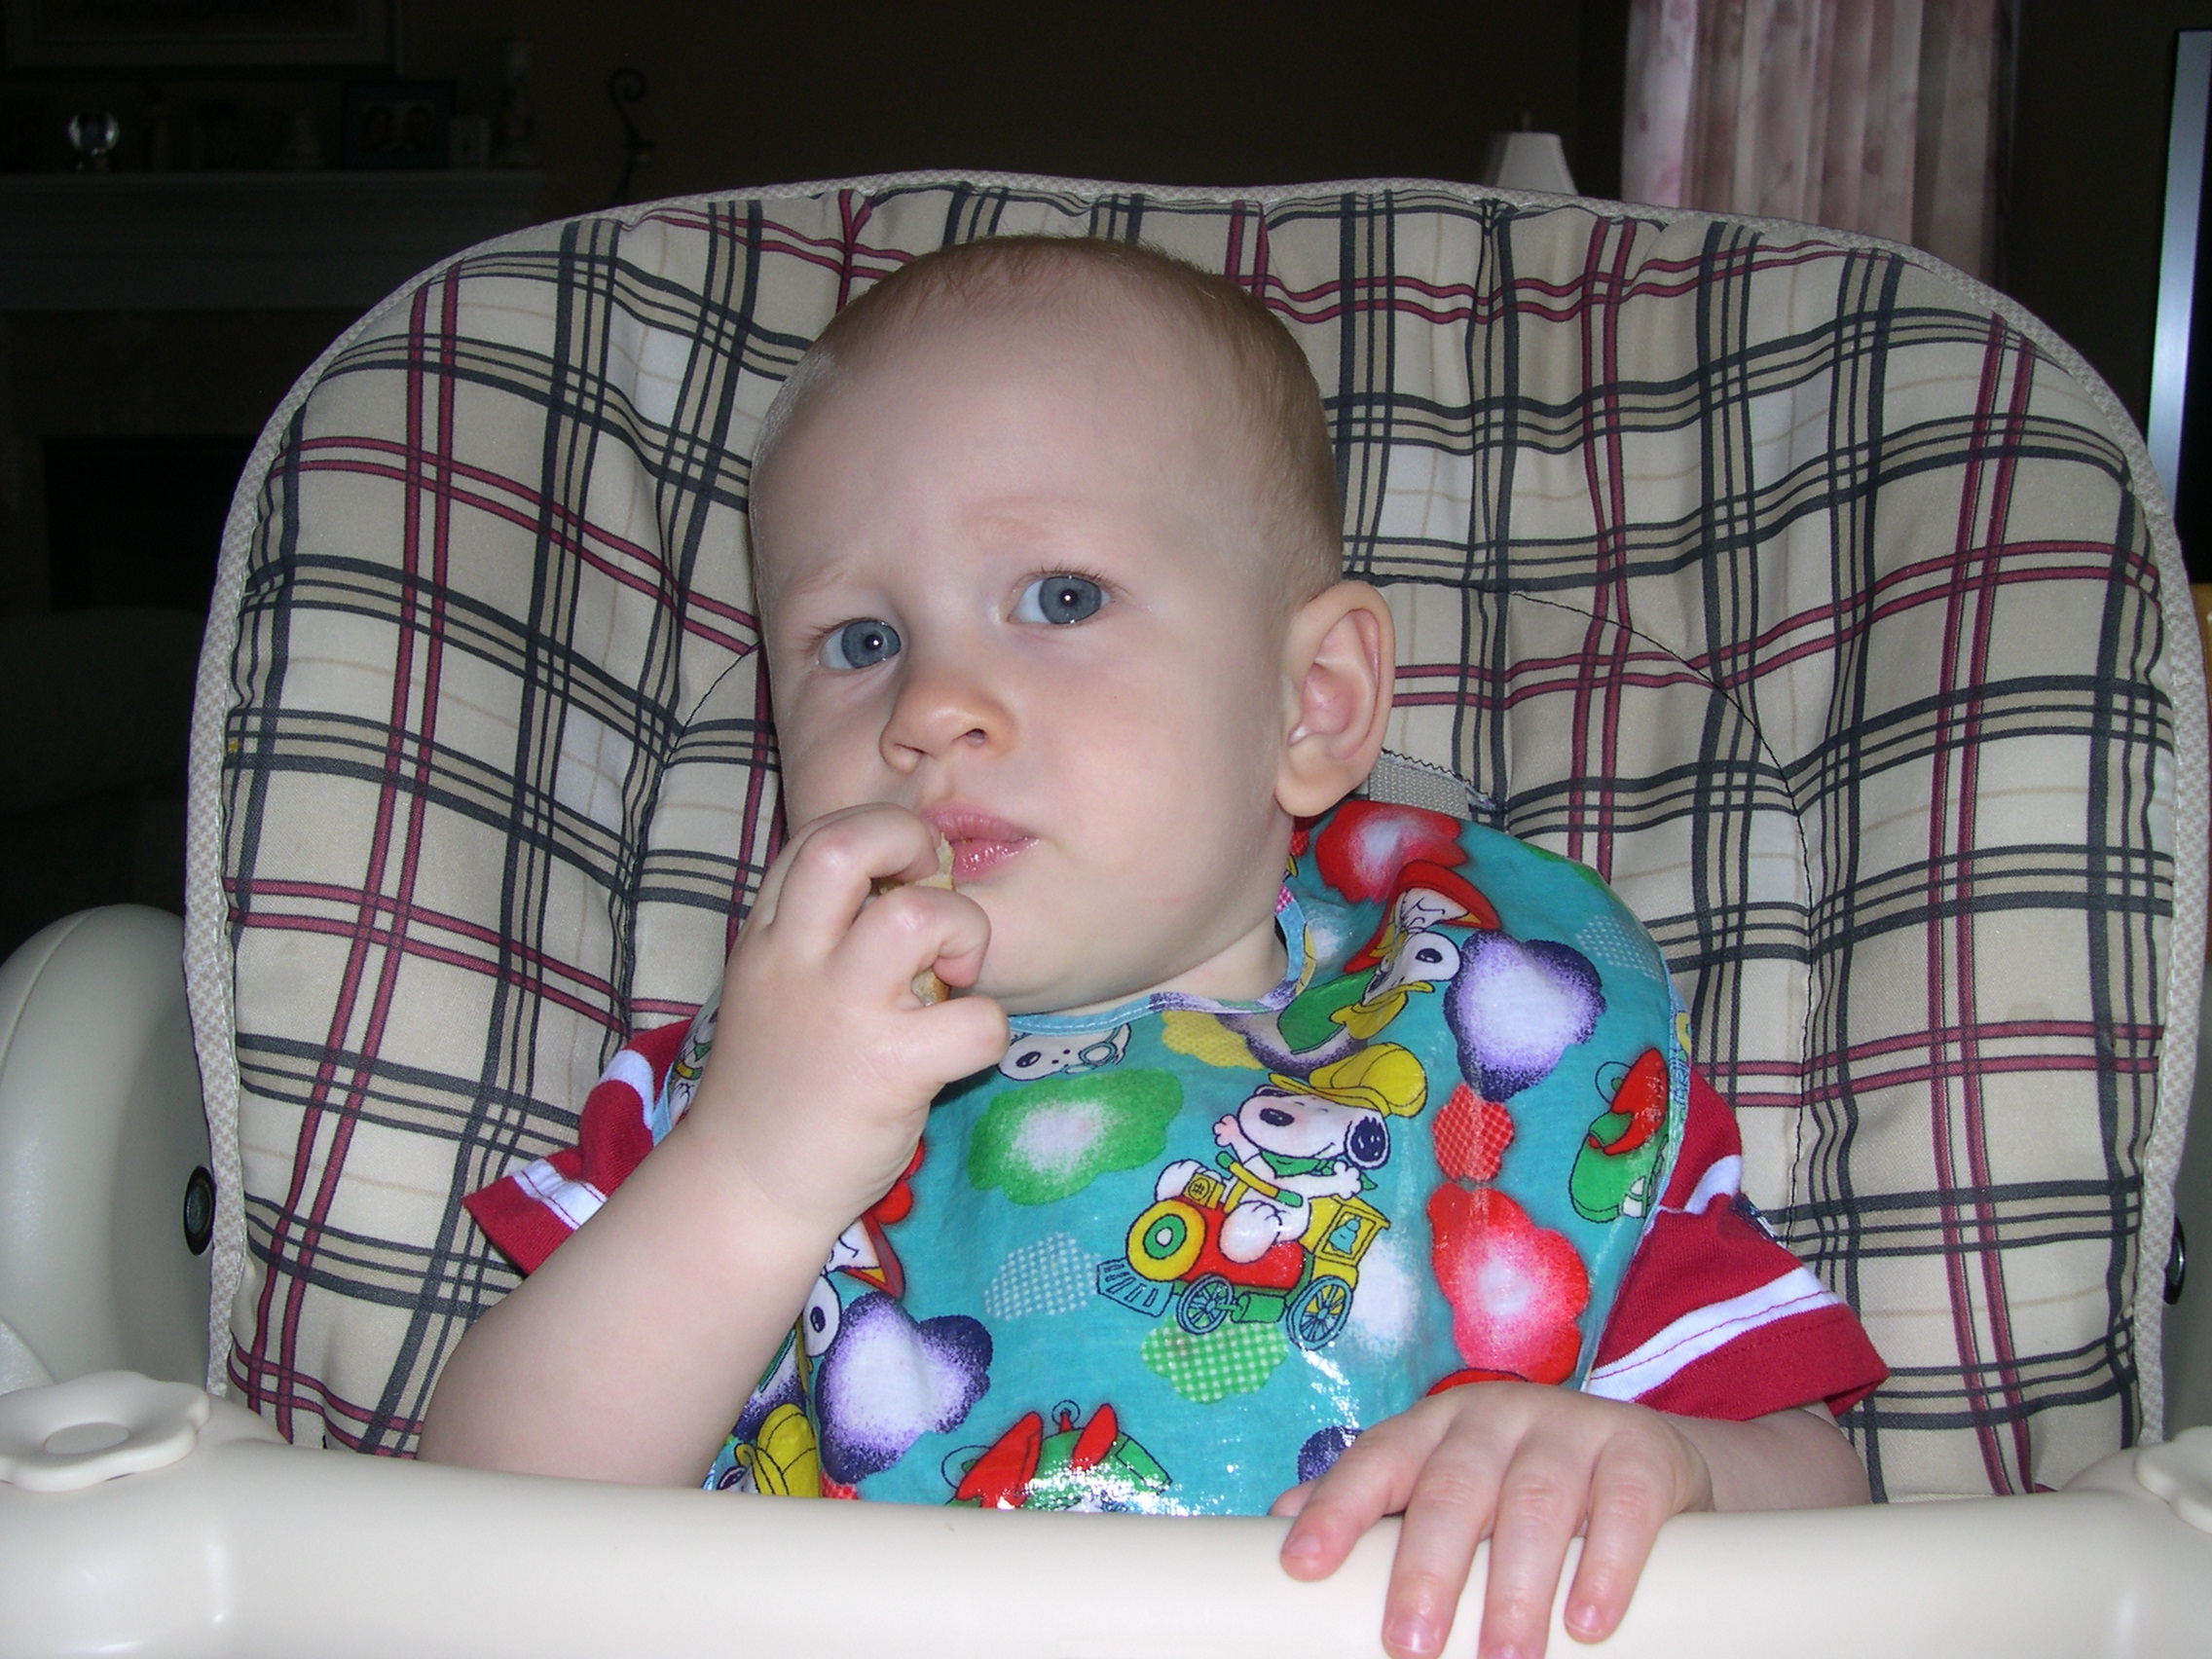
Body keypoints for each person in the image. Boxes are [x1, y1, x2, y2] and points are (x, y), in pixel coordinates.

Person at [420, 235, 1883, 1659]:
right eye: (860, 640)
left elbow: (1829, 1512)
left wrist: (1645, 1469)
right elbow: (468, 1535)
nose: (933, 704)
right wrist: (750, 1177)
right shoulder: (758, 1084)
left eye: (1060, 599)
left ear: (1312, 702)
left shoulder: (1509, 1041)